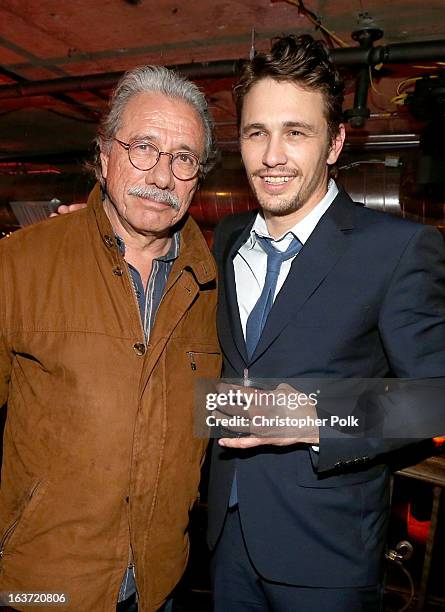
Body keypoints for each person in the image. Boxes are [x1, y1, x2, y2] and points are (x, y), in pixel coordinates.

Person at [207, 35, 445, 611]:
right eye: (256, 132)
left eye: (296, 132)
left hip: (326, 554)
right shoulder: (226, 237)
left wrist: (314, 417)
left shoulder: (399, 247)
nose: (271, 156)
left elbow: (435, 398)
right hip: (223, 534)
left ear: (335, 142)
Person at [0, 65, 221, 612]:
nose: (162, 176)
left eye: (184, 158)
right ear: (104, 154)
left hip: (158, 581)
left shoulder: (215, 285)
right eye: (143, 146)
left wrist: (332, 414)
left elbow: (219, 411)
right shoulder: (21, 264)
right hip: (44, 585)